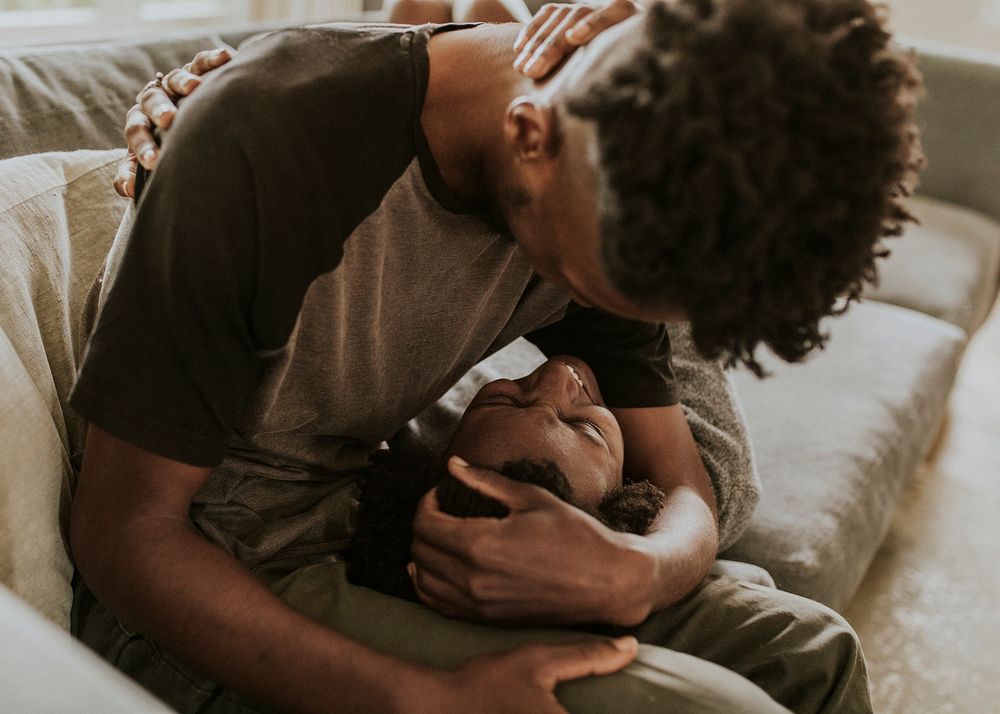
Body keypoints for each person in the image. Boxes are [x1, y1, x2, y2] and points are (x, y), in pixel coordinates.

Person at [70, 0, 921, 711]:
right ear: (528, 134)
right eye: (585, 281)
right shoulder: (270, 142)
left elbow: (685, 477)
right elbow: (123, 538)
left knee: (810, 652)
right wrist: (428, 701)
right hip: (221, 582)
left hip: (367, 516)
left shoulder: (617, 177)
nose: (592, 325)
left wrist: (640, 572)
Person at [346, 357, 668, 603]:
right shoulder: (678, 489)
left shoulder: (405, 432)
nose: (555, 371)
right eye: (585, 426)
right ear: (627, 487)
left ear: (439, 450)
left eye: (503, 400)